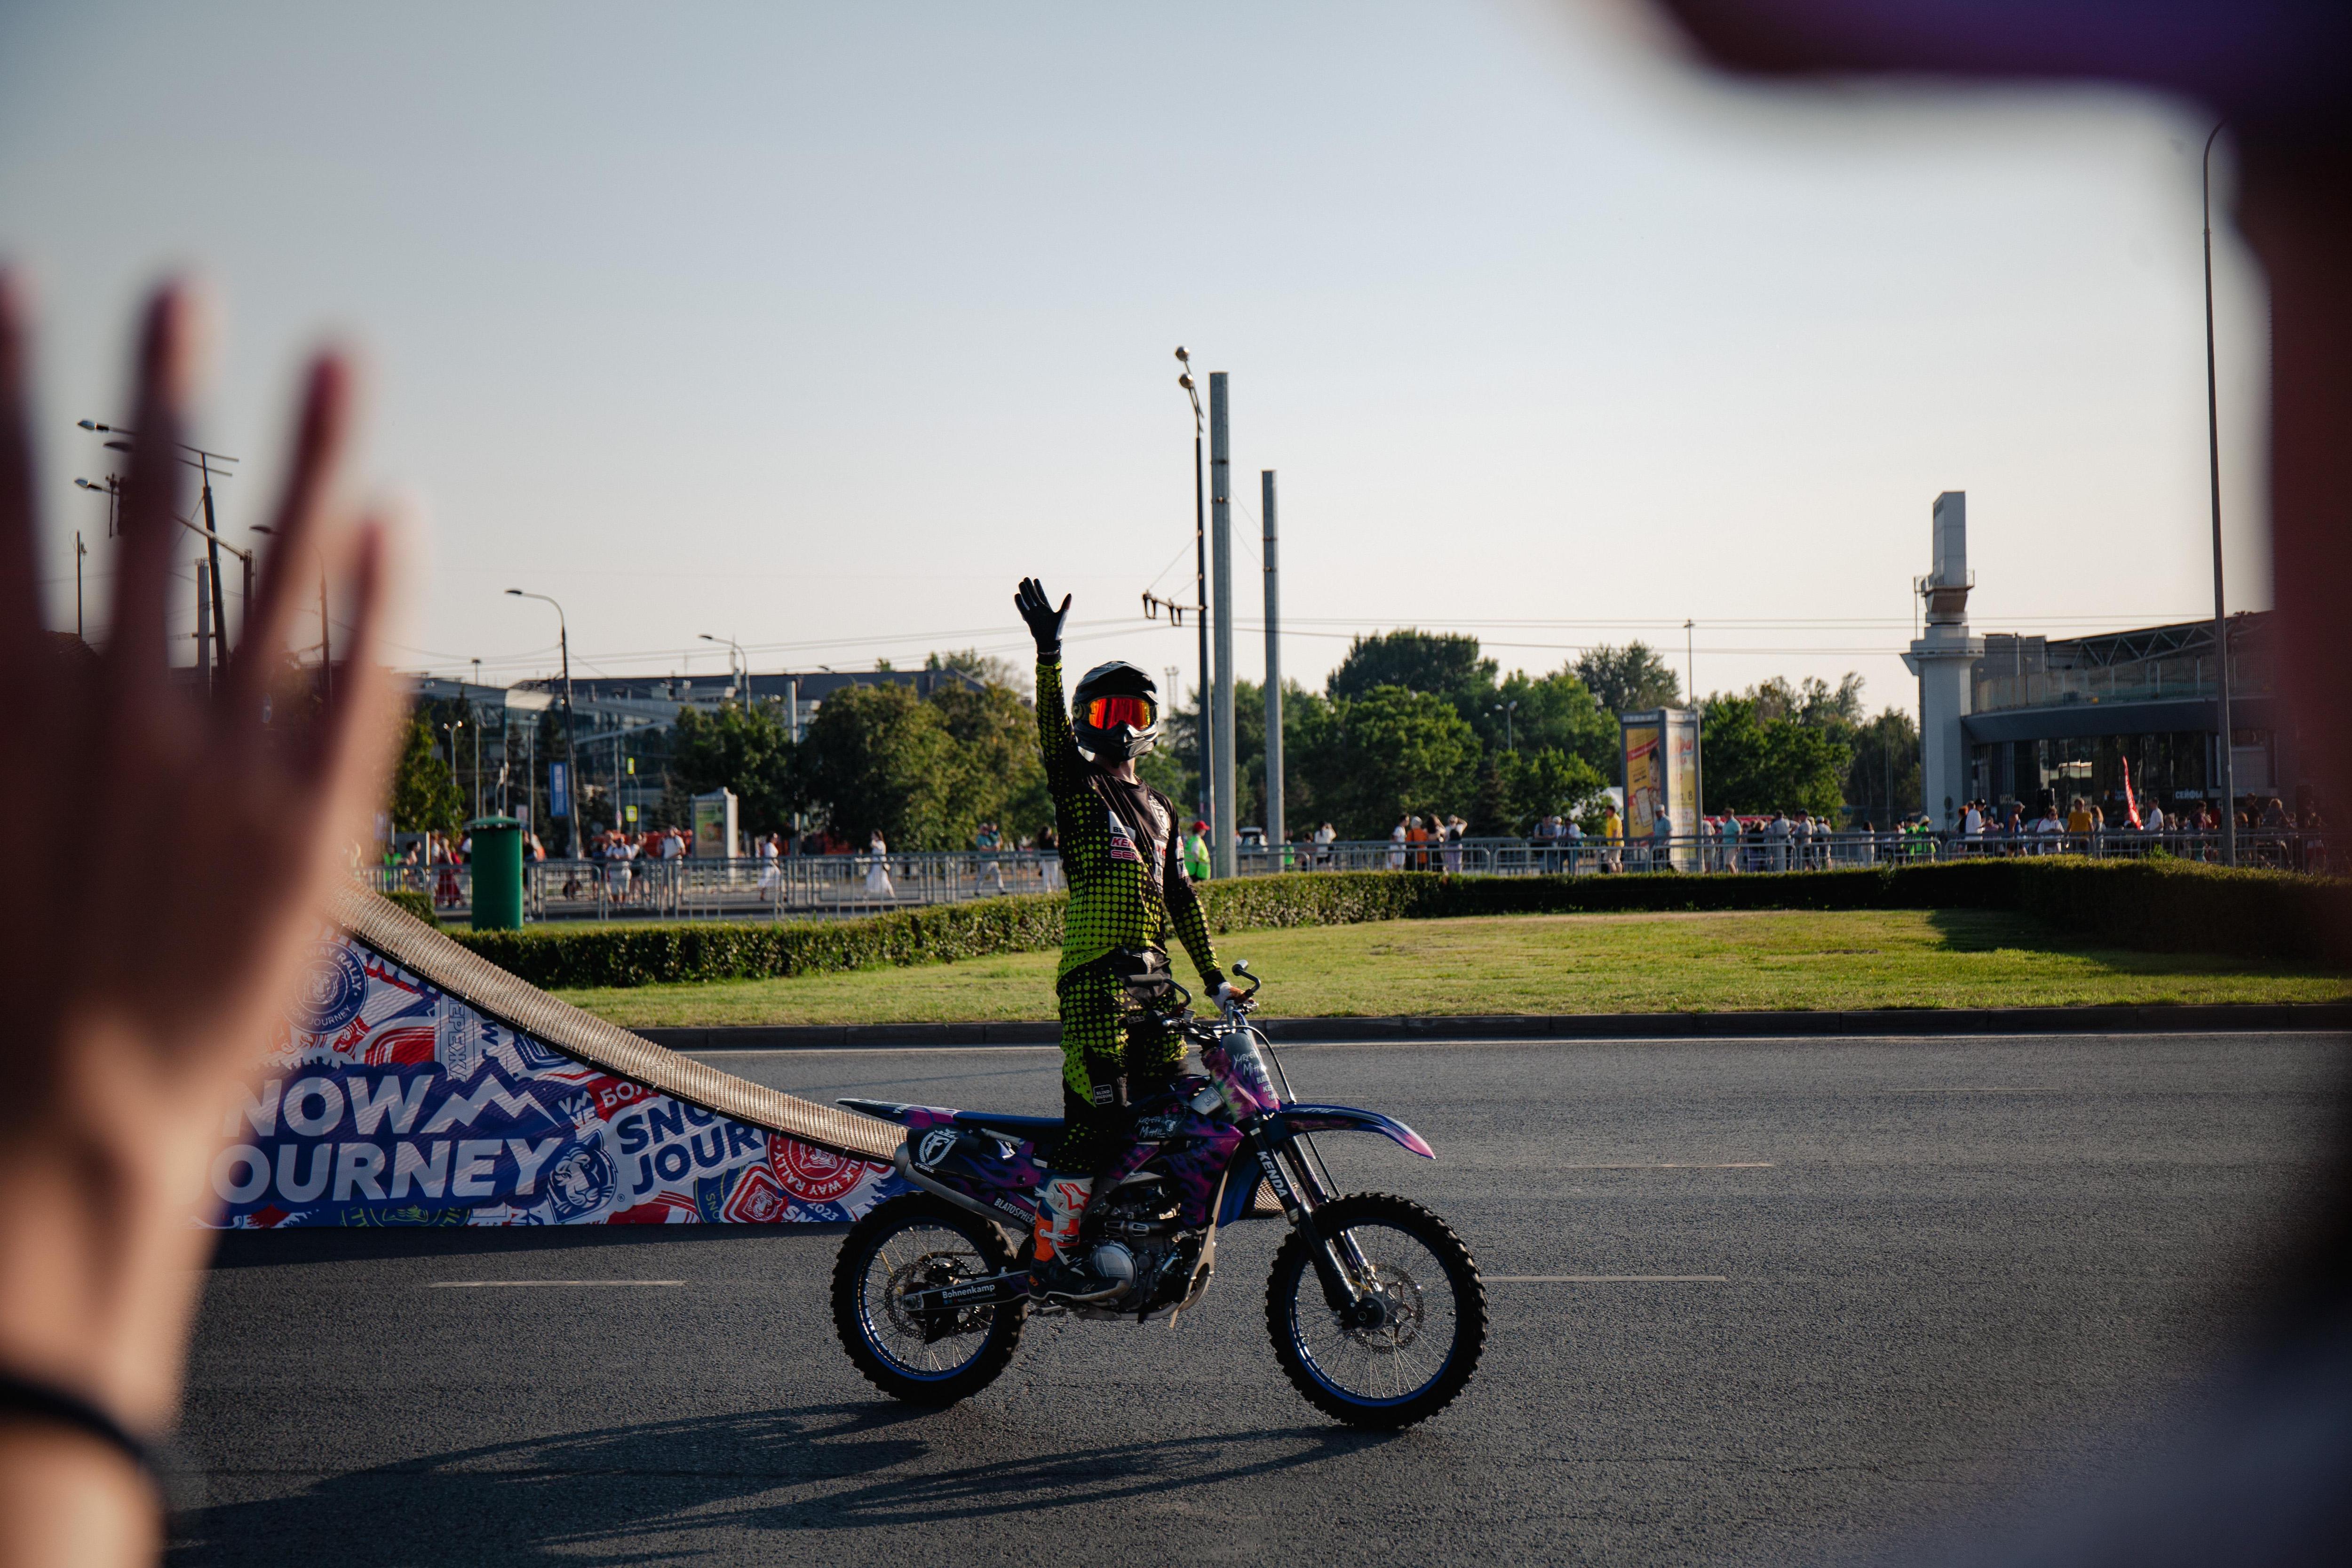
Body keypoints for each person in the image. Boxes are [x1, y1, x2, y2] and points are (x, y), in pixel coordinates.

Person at [1011, 578, 1228, 1300]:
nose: (1122, 723)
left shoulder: (1163, 810)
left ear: (1151, 723)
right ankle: (1050, 1253)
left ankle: (1138, 1230)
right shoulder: (1082, 791)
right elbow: (1046, 735)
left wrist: (1218, 978)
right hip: (1096, 986)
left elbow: (1184, 901)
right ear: (1086, 721)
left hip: (1156, 991)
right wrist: (1049, 655)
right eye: (1108, 710)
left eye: (1134, 710)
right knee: (1098, 1117)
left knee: (1172, 1113)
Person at [864, 830, 894, 898]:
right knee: (876, 880)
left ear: (876, 836)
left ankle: (892, 895)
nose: (872, 836)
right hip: (876, 866)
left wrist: (874, 842)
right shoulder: (878, 843)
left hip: (879, 867)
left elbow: (877, 847)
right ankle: (865, 896)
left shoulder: (880, 843)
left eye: (873, 835)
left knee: (878, 880)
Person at [1183, 819, 1210, 883]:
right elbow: (1195, 852)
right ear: (1200, 830)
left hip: (1192, 868)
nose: (1205, 831)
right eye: (1204, 829)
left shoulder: (1192, 839)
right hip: (1198, 869)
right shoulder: (1197, 840)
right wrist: (1198, 861)